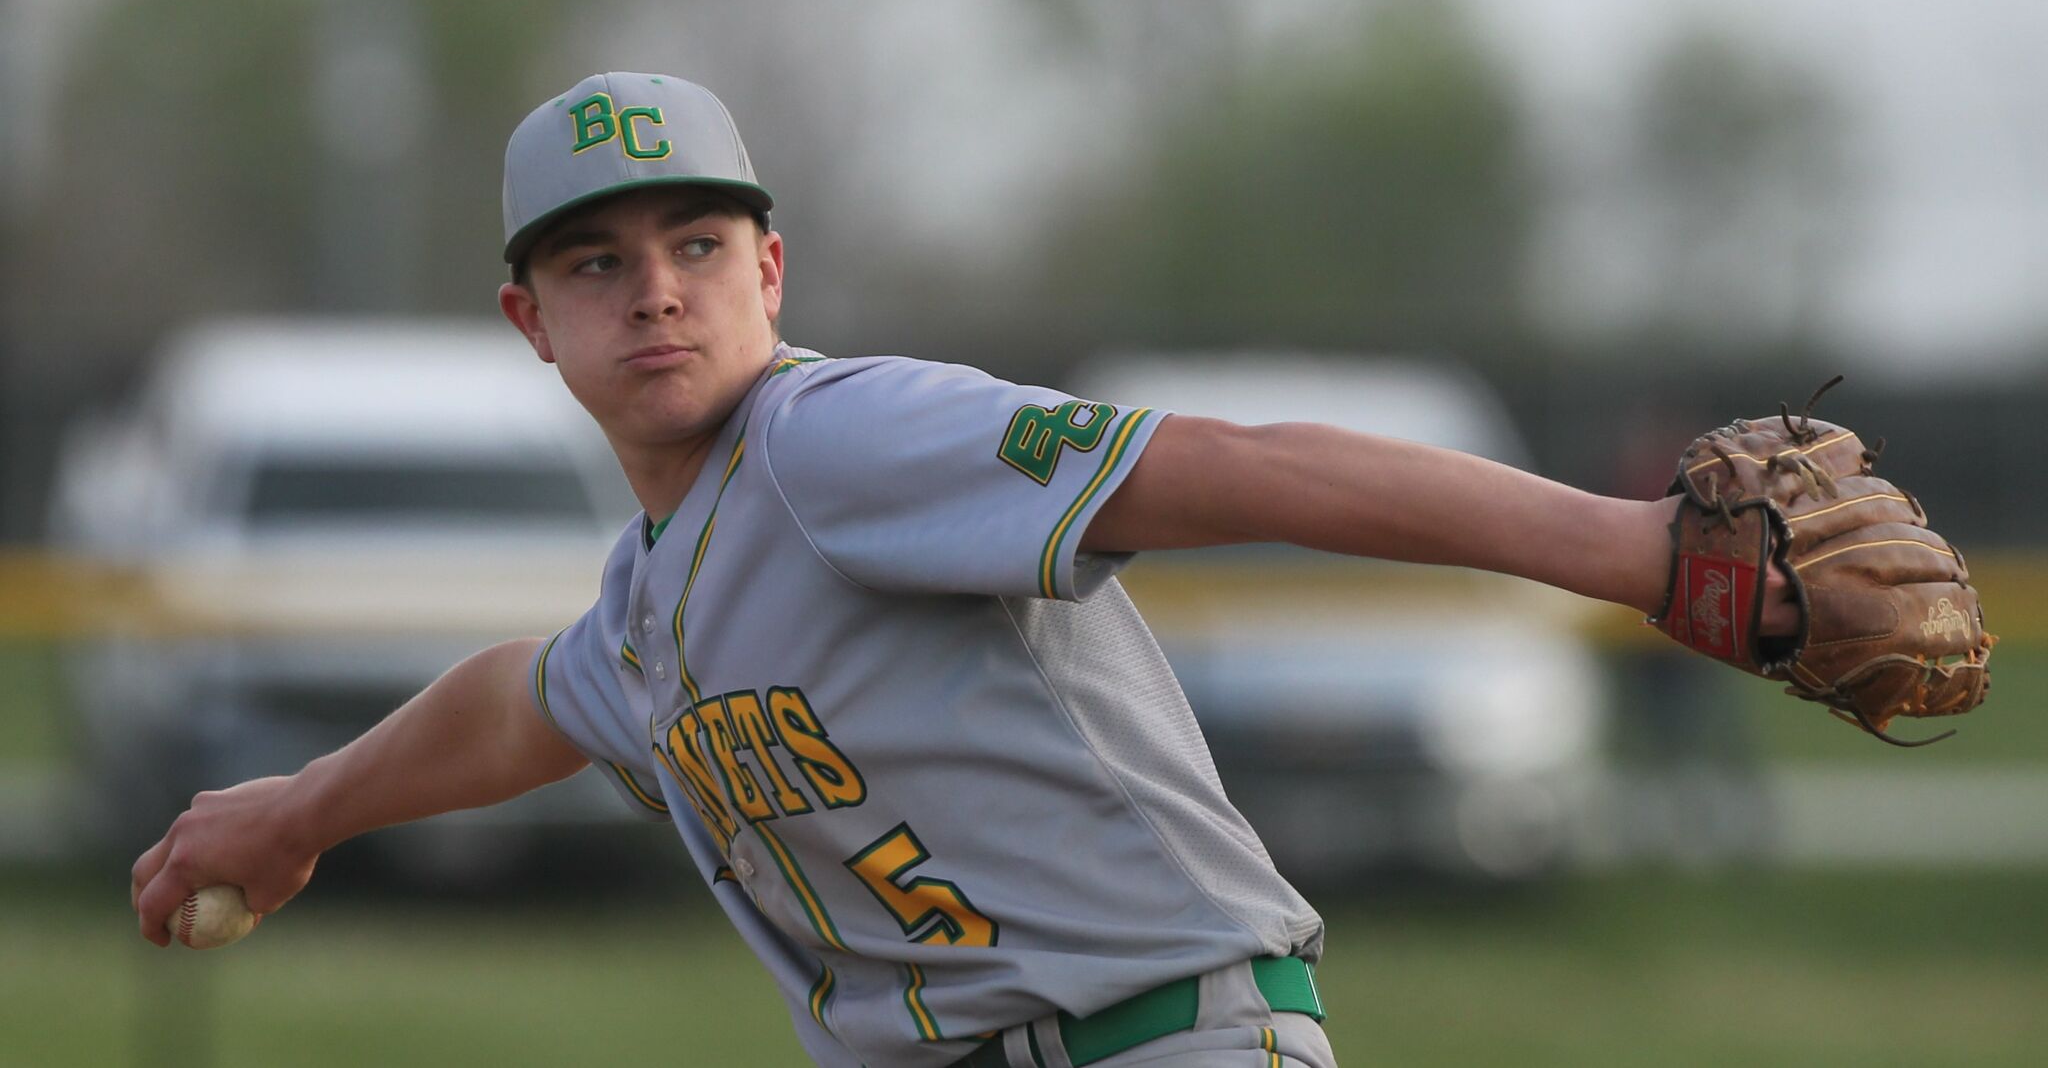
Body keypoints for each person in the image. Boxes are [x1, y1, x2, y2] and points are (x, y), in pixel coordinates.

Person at [131, 72, 1795, 1068]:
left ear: (769, 270)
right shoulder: (654, 604)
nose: (656, 290)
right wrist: (298, 811)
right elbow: (522, 700)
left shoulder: (834, 437)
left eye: (697, 245)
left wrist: (1642, 552)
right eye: (597, 259)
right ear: (533, 323)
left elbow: (1236, 467)